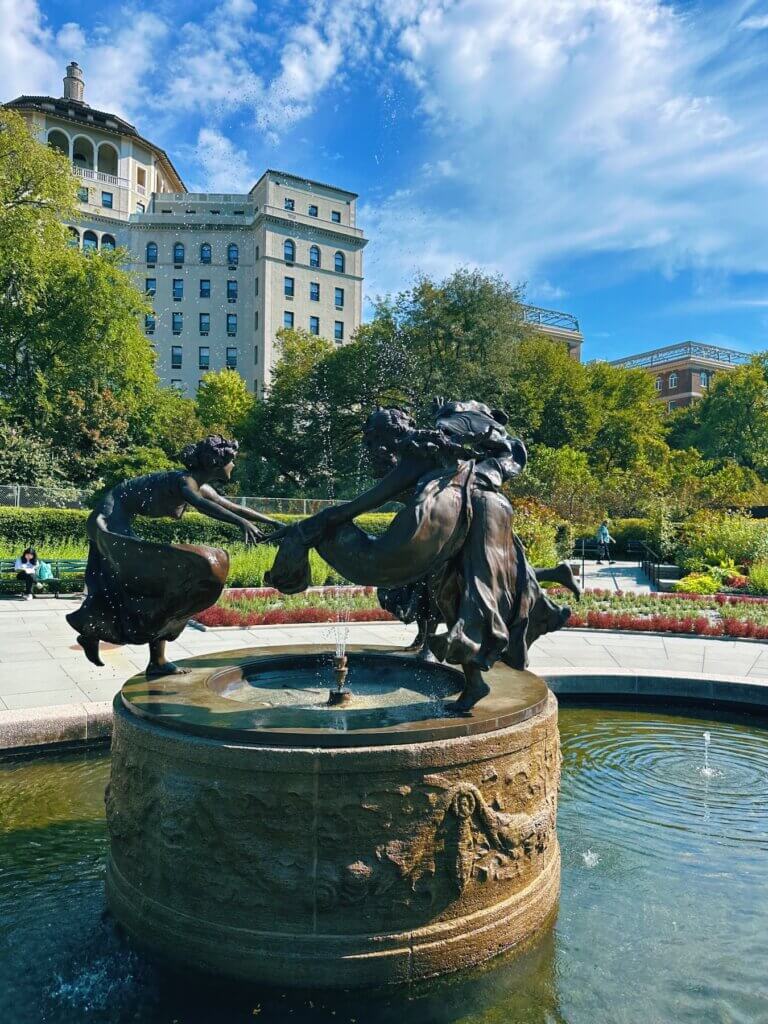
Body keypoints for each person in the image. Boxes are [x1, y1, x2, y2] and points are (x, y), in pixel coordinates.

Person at [267, 400, 574, 712]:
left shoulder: (419, 452)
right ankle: (474, 684)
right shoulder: (448, 454)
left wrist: (310, 527)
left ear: (390, 435)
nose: (370, 448)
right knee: (455, 596)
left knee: (461, 596)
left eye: (374, 440)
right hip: (481, 515)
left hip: (467, 516)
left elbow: (362, 504)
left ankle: (474, 678)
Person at [66, 435, 281, 678]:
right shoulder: (185, 481)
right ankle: (96, 630)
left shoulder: (200, 485)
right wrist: (241, 523)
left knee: (158, 589)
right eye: (231, 461)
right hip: (108, 518)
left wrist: (273, 522)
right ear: (215, 463)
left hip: (116, 519)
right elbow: (201, 504)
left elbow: (233, 507)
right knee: (150, 586)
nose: (234, 466)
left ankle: (153, 659)